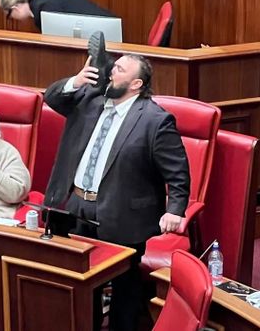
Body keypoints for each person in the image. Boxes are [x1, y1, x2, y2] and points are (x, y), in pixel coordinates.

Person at [44, 49, 190, 331]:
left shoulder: (155, 120)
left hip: (124, 216)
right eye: (114, 66)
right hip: (77, 207)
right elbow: (52, 97)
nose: (111, 71)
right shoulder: (90, 98)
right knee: (80, 285)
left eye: (120, 69)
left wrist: (175, 210)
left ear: (136, 84)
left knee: (125, 293)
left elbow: (178, 173)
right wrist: (76, 81)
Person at [0, 0, 115, 31]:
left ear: (15, 8)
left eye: (9, 16)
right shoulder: (42, 2)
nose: (13, 19)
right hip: (105, 27)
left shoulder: (45, 8)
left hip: (104, 31)